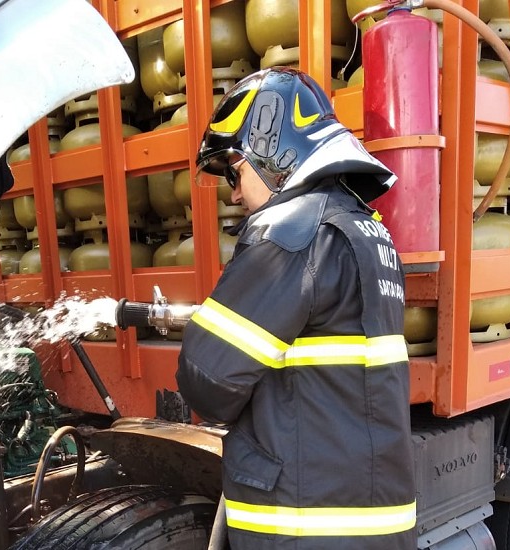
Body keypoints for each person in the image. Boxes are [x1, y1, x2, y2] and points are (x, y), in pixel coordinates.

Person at [176, 67, 417, 549]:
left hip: (304, 525)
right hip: (368, 521)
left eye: (236, 171)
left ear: (272, 151)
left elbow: (208, 379)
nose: (235, 193)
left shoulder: (290, 235)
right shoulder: (367, 231)